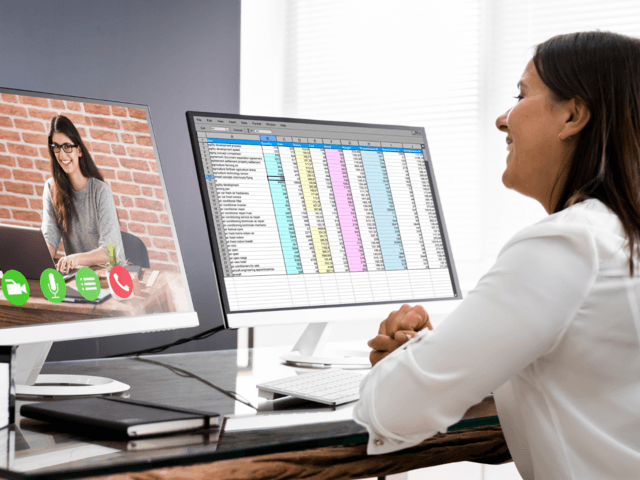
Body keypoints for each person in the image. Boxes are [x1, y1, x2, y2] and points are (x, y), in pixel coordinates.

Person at [353, 31, 640, 480]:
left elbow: (392, 412)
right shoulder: (621, 237)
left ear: (573, 115)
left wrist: (405, 367)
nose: (502, 119)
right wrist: (441, 356)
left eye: (521, 95)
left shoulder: (568, 244)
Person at [42, 115, 123, 274]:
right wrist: (29, 260)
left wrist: (74, 259)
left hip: (110, 278)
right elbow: (49, 240)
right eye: (56, 147)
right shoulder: (51, 188)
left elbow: (109, 252)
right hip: (78, 278)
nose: (62, 154)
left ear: (79, 150)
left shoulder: (100, 191)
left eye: (67, 146)